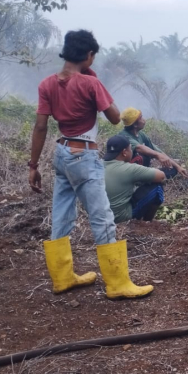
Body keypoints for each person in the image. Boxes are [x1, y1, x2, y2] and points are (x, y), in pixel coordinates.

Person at [28, 29, 153, 300]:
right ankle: (118, 283)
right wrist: (96, 82)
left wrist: (33, 165)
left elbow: (40, 127)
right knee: (102, 217)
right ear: (88, 55)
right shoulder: (89, 84)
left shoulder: (47, 84)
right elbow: (115, 117)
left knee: (61, 214)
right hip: (83, 156)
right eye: (93, 57)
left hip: (60, 153)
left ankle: (62, 278)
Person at [103, 135, 167, 223]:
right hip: (120, 217)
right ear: (124, 152)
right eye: (130, 149)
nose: (132, 152)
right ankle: (147, 222)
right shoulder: (129, 169)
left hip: (100, 216)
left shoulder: (98, 165)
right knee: (157, 187)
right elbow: (161, 176)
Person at [118, 107, 188, 179]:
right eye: (141, 118)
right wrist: (157, 155)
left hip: (142, 171)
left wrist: (178, 167)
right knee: (144, 157)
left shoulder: (141, 135)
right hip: (127, 174)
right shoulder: (124, 136)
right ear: (135, 125)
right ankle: (142, 181)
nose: (144, 120)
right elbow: (139, 148)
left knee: (173, 171)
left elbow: (158, 151)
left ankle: (149, 178)